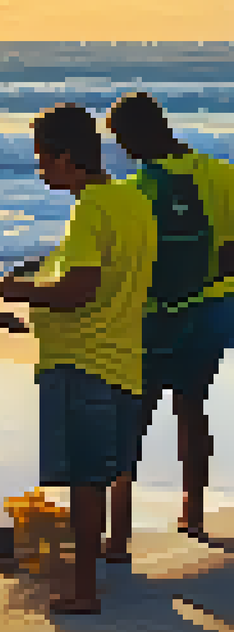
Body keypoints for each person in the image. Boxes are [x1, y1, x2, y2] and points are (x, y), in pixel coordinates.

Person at [0, 103, 156, 614]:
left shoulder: (90, 207)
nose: (42, 170)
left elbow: (79, 290)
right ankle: (113, 550)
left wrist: (20, 290)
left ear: (67, 157)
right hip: (125, 357)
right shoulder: (133, 201)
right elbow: (109, 278)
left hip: (84, 361)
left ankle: (83, 589)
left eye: (44, 160)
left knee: (86, 483)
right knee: (112, 470)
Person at [105, 91, 234, 548]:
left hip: (155, 315)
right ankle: (192, 513)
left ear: (142, 132)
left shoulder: (138, 188)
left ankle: (117, 533)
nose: (123, 149)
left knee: (133, 417)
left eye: (122, 138)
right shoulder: (222, 175)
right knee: (192, 410)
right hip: (213, 311)